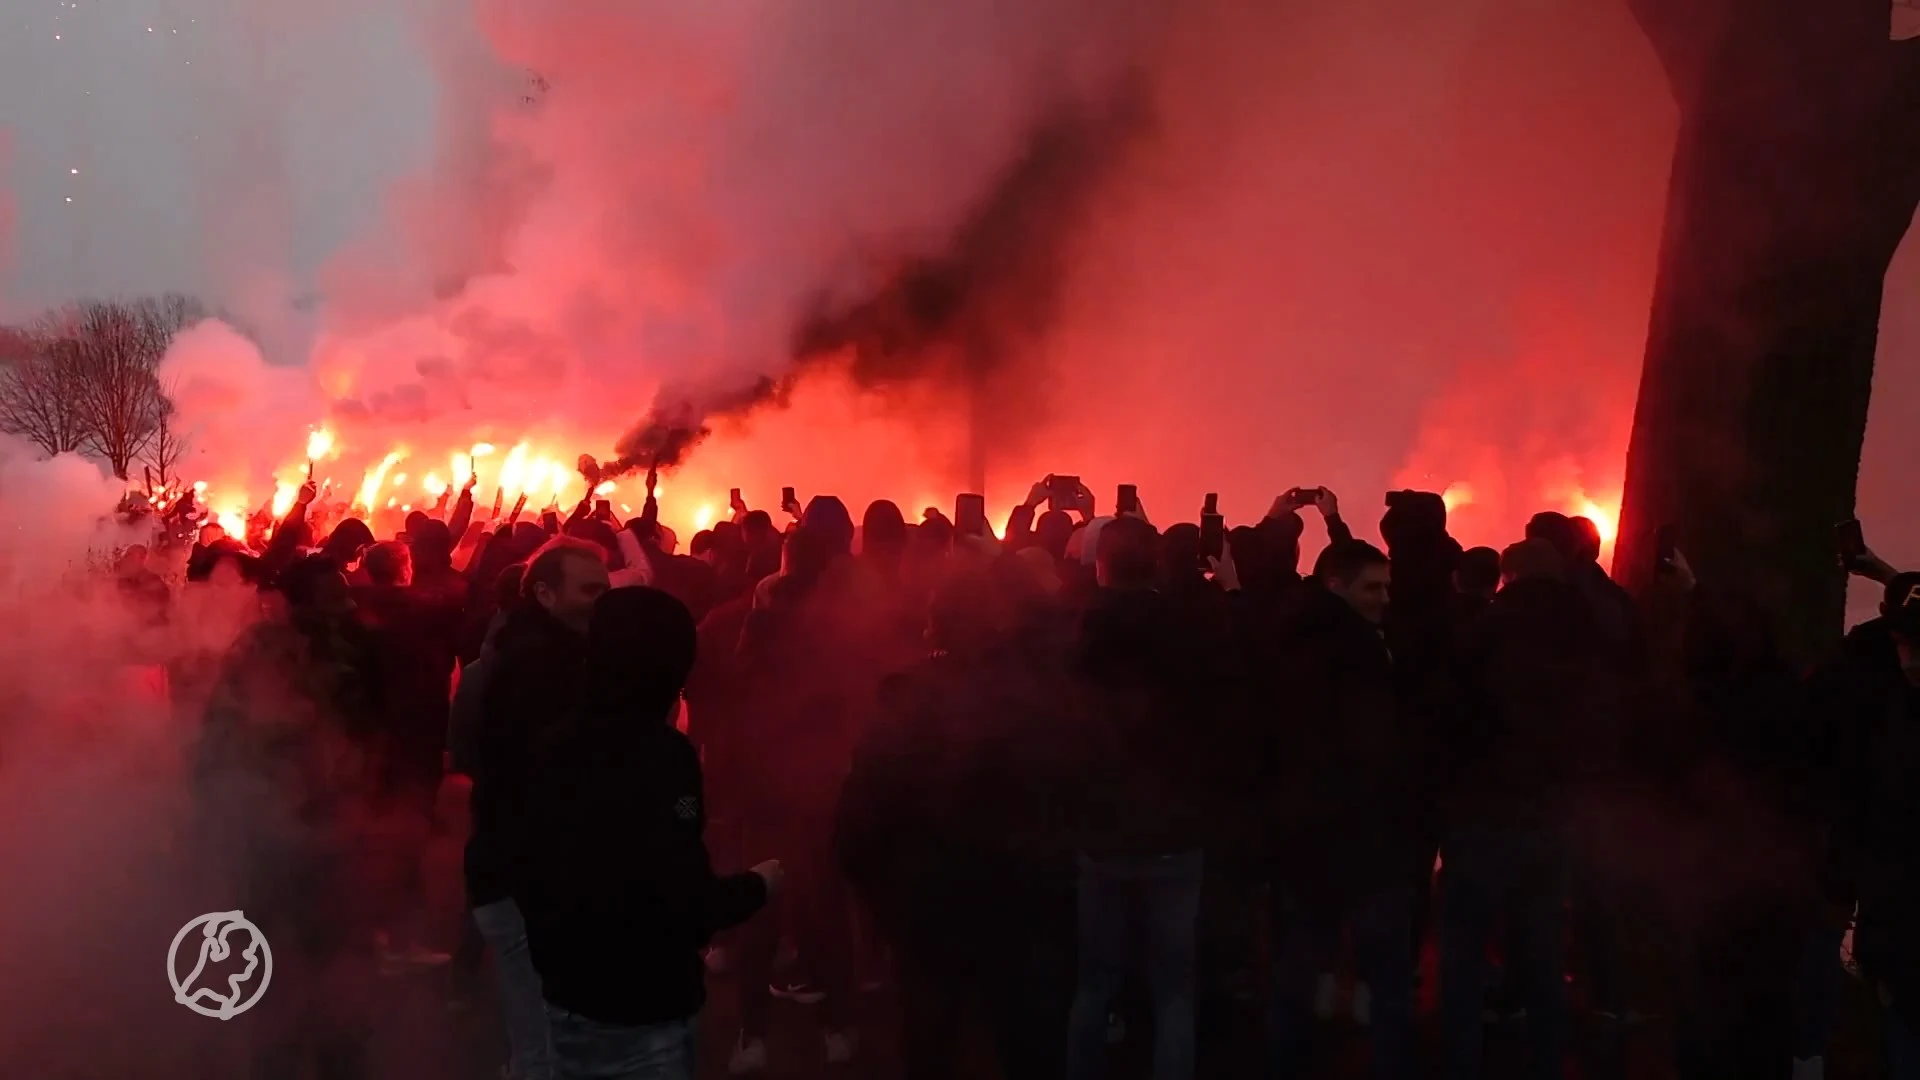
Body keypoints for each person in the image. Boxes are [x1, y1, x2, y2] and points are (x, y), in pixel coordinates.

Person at [518, 587, 780, 1080]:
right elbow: (683, 901)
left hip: (567, 990)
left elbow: (534, 868)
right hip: (643, 1002)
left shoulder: (553, 743)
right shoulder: (664, 759)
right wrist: (759, 885)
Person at [194, 553, 383, 1080]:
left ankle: (331, 1049)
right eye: (334, 597)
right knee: (275, 946)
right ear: (302, 604)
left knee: (333, 950)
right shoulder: (267, 652)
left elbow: (368, 734)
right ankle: (283, 1051)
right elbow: (221, 736)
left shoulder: (351, 650)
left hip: (328, 822)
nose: (347, 605)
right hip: (274, 822)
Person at [1065, 514, 1230, 1080]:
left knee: (1094, 985)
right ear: (1156, 564)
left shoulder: (1077, 633)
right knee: (1174, 992)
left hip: (1101, 833)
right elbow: (1217, 722)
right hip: (1174, 833)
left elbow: (1059, 729)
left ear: (1101, 566)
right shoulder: (1191, 633)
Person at [1438, 538, 1600, 1080]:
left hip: (1482, 813)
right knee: (1544, 952)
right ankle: (1546, 1060)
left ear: (1506, 576)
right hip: (1552, 814)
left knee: (1463, 954)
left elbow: (1452, 715)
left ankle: (1461, 1062)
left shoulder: (1484, 629)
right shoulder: (1588, 633)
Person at [1267, 539, 1418, 1080]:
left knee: (1298, 971)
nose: (1384, 598)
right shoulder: (1362, 653)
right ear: (1337, 586)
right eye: (1372, 588)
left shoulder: (1287, 639)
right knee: (1388, 980)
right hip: (1365, 841)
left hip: (1305, 839)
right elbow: (1376, 752)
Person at [468, 537, 609, 1080]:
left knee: (544, 1032)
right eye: (589, 590)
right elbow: (541, 778)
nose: (602, 601)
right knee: (545, 1041)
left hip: (523, 872)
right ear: (545, 594)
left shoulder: (541, 652)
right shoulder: (540, 667)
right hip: (525, 877)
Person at [1826, 573, 1920, 1080]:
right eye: (1903, 642)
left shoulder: (1893, 724)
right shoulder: (1893, 719)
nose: (1909, 657)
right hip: (1896, 950)